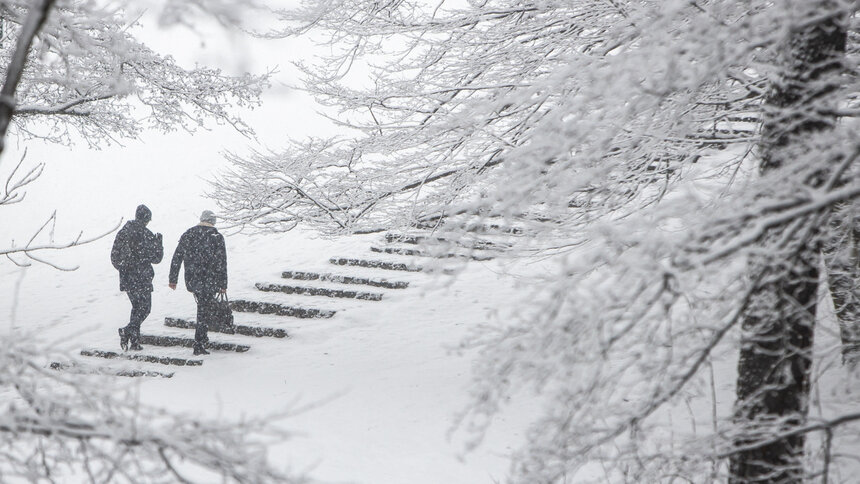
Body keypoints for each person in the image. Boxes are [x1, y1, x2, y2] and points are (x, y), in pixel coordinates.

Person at [168, 210, 228, 355]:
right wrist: (223, 283)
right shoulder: (216, 237)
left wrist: (173, 279)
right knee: (203, 311)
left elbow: (177, 256)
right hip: (210, 279)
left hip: (193, 278)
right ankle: (198, 344)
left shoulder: (189, 234)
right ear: (213, 222)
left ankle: (202, 338)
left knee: (203, 308)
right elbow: (222, 262)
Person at [111, 204, 163, 351]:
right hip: (142, 277)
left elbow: (114, 256)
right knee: (145, 308)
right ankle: (127, 331)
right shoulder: (146, 234)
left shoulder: (123, 232)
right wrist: (159, 244)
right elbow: (157, 259)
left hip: (128, 278)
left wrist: (124, 268)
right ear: (146, 219)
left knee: (137, 308)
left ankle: (134, 341)